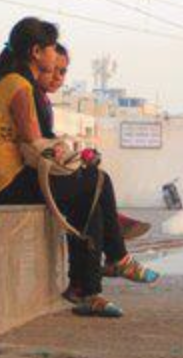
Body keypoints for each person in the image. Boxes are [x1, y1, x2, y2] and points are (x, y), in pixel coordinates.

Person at [0, 17, 157, 319]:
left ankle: (87, 289)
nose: (53, 55)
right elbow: (34, 141)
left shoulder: (15, 82)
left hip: (8, 180)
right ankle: (114, 262)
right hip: (5, 185)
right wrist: (65, 153)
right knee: (97, 181)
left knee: (89, 192)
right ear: (36, 52)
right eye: (49, 49)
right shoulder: (18, 86)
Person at [39, 45, 151, 242]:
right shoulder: (28, 95)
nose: (57, 77)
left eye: (62, 71)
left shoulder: (42, 100)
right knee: (98, 180)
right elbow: (38, 144)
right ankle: (116, 245)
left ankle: (112, 242)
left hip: (42, 172)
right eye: (51, 69)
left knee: (93, 192)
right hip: (30, 180)